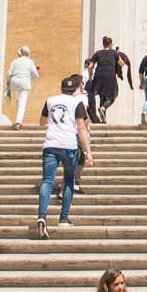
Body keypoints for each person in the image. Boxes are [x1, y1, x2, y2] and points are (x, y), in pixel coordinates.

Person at [35, 75, 91, 237]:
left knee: (47, 181)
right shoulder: (77, 102)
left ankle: (42, 216)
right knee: (68, 181)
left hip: (50, 145)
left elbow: (42, 122)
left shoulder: (51, 100)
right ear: (75, 89)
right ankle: (64, 218)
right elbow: (81, 127)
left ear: (61, 88)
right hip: (69, 146)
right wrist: (88, 152)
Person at [84, 36, 130, 123]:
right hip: (109, 75)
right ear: (110, 44)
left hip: (98, 75)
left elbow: (90, 66)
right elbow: (122, 63)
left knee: (102, 95)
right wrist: (118, 55)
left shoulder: (98, 53)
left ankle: (103, 120)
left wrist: (90, 76)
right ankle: (103, 107)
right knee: (113, 95)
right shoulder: (114, 53)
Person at [6, 46, 39, 127]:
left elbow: (9, 73)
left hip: (14, 82)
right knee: (22, 102)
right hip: (24, 82)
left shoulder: (14, 61)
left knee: (18, 101)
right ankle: (18, 122)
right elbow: (35, 75)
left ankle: (18, 120)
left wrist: (8, 81)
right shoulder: (30, 62)